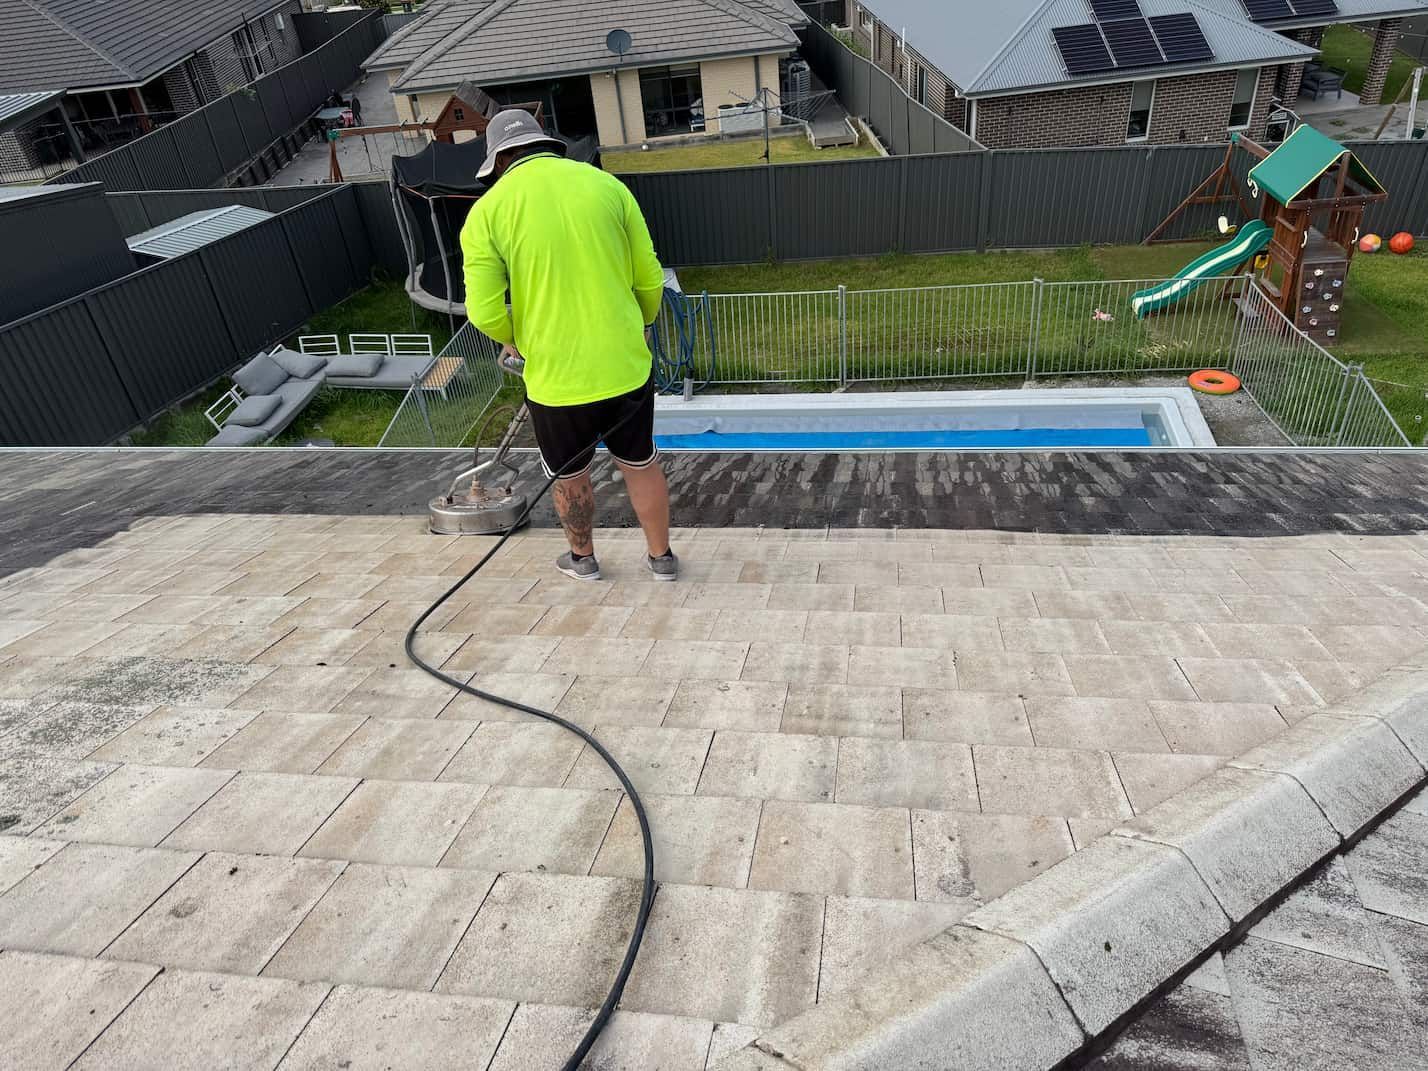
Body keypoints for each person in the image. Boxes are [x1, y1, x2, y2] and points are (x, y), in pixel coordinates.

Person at [461, 110, 677, 583]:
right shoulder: (607, 187)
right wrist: (643, 323)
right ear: (546, 145)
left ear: (499, 161)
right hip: (624, 367)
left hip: (555, 378)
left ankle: (583, 560)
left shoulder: (487, 213)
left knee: (570, 473)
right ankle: (661, 558)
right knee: (640, 462)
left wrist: (514, 339)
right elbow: (648, 276)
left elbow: (484, 311)